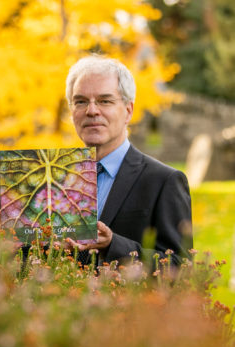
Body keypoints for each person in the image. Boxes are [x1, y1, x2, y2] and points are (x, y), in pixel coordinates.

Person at [64, 55, 192, 266]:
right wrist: (9, 245)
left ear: (128, 111)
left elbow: (180, 268)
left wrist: (112, 244)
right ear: (72, 112)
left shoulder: (163, 181)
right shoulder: (55, 178)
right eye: (81, 101)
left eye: (105, 101)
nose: (92, 110)